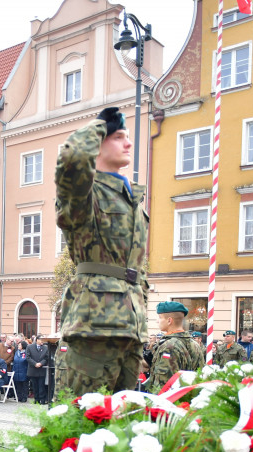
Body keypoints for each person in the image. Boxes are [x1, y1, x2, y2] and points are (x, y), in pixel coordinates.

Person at [54, 106, 148, 398]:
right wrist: (98, 126)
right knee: (79, 419)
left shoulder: (132, 199)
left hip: (130, 325)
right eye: (119, 136)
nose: (128, 143)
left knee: (123, 424)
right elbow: (73, 158)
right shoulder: (85, 193)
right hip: (93, 325)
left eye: (127, 137)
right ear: (98, 144)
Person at [145, 302, 205, 393]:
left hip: (168, 403)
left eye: (160, 317)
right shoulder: (195, 344)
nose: (157, 321)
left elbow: (163, 386)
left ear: (169, 320)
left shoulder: (169, 346)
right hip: (187, 401)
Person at [27, 337, 50, 404]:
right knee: (35, 385)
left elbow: (46, 357)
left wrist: (41, 363)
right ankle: (36, 399)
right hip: (33, 369)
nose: (42, 341)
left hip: (41, 369)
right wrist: (35, 364)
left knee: (41, 385)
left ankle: (42, 400)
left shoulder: (45, 347)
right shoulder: (30, 347)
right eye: (41, 340)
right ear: (37, 340)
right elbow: (28, 357)